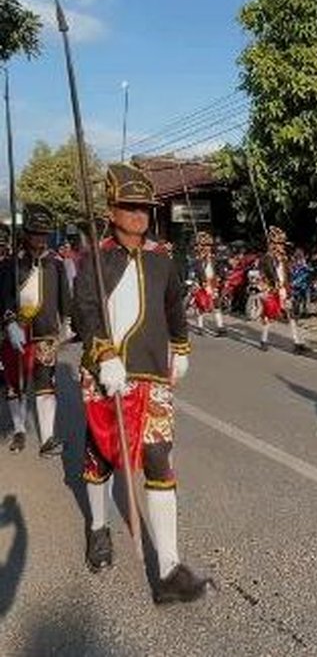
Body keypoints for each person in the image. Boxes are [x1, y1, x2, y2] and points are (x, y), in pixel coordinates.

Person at [74, 162, 210, 603]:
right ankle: (98, 528)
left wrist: (182, 346)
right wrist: (104, 353)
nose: (138, 215)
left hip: (152, 375)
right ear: (112, 210)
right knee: (101, 456)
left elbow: (174, 307)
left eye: (145, 208)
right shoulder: (95, 259)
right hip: (107, 374)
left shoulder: (161, 260)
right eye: (129, 207)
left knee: (158, 459)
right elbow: (85, 313)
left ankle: (169, 568)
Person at [0, 204, 71, 455]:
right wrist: (9, 323)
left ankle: (48, 438)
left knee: (46, 384)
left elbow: (64, 295)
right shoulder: (11, 264)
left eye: (44, 233)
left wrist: (69, 321)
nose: (40, 238)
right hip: (17, 332)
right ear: (26, 233)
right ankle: (19, 429)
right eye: (35, 233)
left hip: (46, 332)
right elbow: (4, 296)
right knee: (15, 384)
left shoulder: (56, 263)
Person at [259, 227, 306, 353]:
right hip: (272, 290)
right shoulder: (267, 258)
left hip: (284, 289)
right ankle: (264, 339)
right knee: (269, 315)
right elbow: (267, 272)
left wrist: (289, 284)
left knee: (291, 315)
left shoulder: (284, 258)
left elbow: (287, 273)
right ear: (272, 244)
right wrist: (274, 281)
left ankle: (297, 342)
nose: (282, 246)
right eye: (279, 244)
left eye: (282, 244)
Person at [191, 231, 226, 336]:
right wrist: (198, 283)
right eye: (203, 246)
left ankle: (220, 327)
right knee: (200, 306)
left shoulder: (215, 259)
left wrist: (219, 279)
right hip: (202, 284)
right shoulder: (197, 261)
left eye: (208, 246)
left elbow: (220, 271)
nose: (206, 248)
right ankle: (200, 327)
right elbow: (195, 273)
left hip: (213, 282)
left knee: (216, 305)